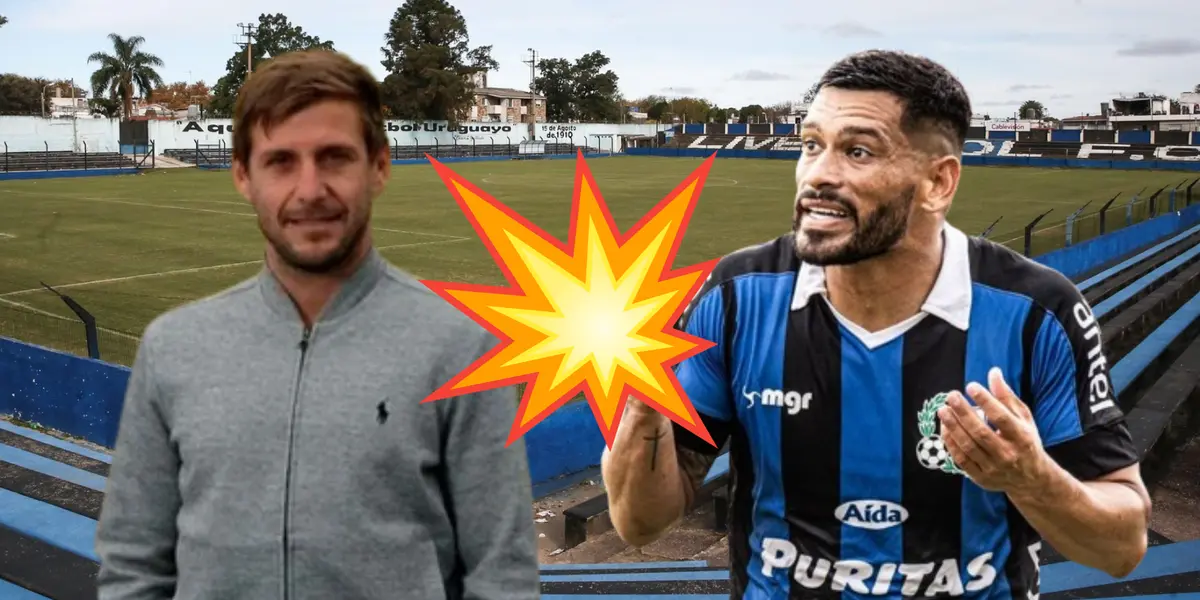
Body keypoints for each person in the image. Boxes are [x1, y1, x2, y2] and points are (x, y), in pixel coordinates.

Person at [601, 49, 1153, 599]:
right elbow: (639, 525)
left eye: (857, 151)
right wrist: (641, 411)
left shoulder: (1037, 312)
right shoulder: (737, 298)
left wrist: (1033, 480)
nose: (817, 174)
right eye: (811, 145)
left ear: (938, 182)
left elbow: (1121, 547)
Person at [95, 49, 540, 600]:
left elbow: (503, 577)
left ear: (378, 166)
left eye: (334, 158)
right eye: (281, 161)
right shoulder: (173, 347)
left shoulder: (462, 348)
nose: (309, 190)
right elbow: (133, 565)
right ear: (242, 176)